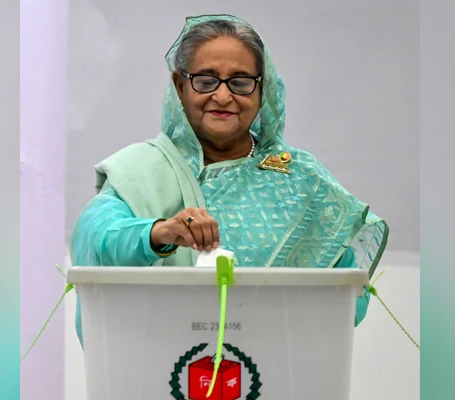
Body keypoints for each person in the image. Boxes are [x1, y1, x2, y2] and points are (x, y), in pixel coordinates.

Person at [70, 14, 389, 346]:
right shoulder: (141, 168)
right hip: (158, 365)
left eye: (240, 82)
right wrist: (160, 232)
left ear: (262, 88)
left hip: (275, 370)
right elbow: (96, 236)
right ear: (180, 86)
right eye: (206, 80)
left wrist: (265, 326)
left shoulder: (301, 179)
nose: (222, 97)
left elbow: (348, 294)